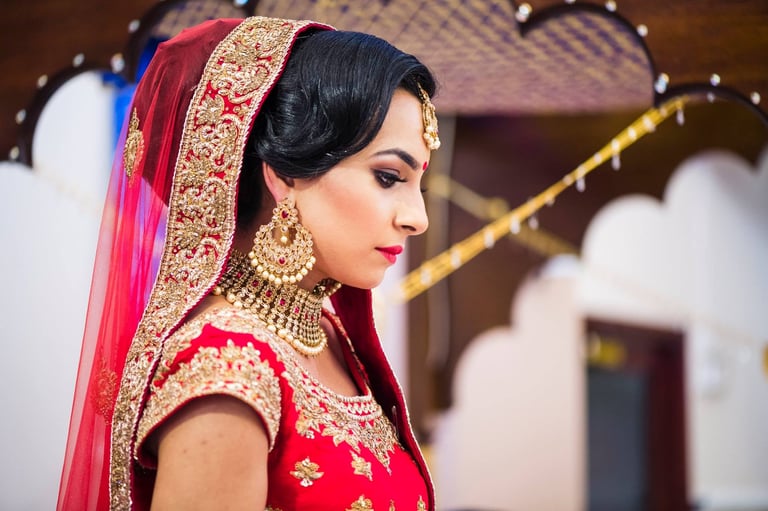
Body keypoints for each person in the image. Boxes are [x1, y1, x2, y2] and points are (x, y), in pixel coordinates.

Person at [56, 15, 440, 511]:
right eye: (389, 176)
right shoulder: (226, 367)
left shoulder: (326, 334)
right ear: (283, 177)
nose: (419, 219)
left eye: (419, 186)